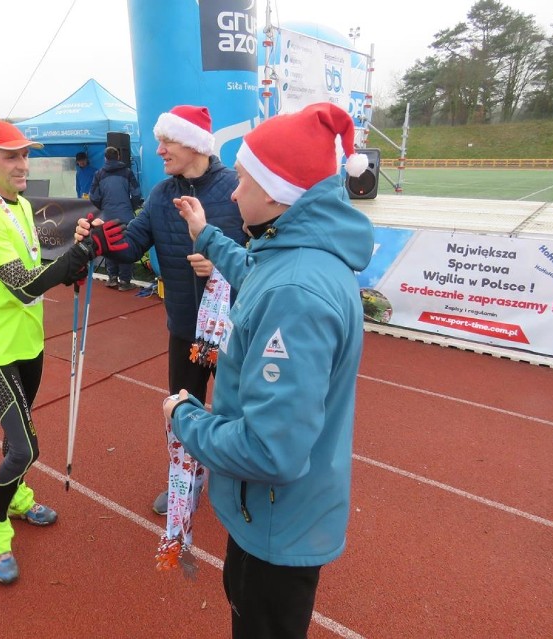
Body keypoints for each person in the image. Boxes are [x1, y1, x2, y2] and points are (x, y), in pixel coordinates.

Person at [163, 102, 375, 639]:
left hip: (277, 522)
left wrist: (185, 418)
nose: (232, 193)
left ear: (278, 191)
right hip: (276, 515)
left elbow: (271, 451)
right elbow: (253, 274)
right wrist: (205, 234)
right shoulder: (296, 253)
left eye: (241, 179)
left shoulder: (295, 294)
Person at [75, 105, 247, 515]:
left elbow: (263, 258)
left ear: (194, 144)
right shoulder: (161, 194)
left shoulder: (235, 191)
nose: (159, 151)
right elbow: (131, 245)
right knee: (182, 411)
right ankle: (184, 484)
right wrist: (100, 238)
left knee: (240, 416)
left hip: (236, 332)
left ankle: (242, 487)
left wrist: (225, 262)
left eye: (167, 142)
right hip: (185, 329)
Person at [0, 120, 103, 585]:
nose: (22, 164)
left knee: (17, 434)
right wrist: (75, 259)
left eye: (24, 155)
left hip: (29, 343)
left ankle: (16, 498)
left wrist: (73, 260)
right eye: (10, 156)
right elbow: (22, 287)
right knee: (25, 447)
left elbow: (33, 266)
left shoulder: (19, 206)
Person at [89, 146, 142, 291]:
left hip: (108, 215)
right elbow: (136, 192)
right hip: (125, 214)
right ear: (118, 156)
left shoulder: (99, 174)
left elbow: (93, 196)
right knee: (124, 245)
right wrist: (131, 206)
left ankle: (112, 277)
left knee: (109, 244)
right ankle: (125, 281)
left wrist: (104, 206)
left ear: (105, 158)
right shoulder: (127, 172)